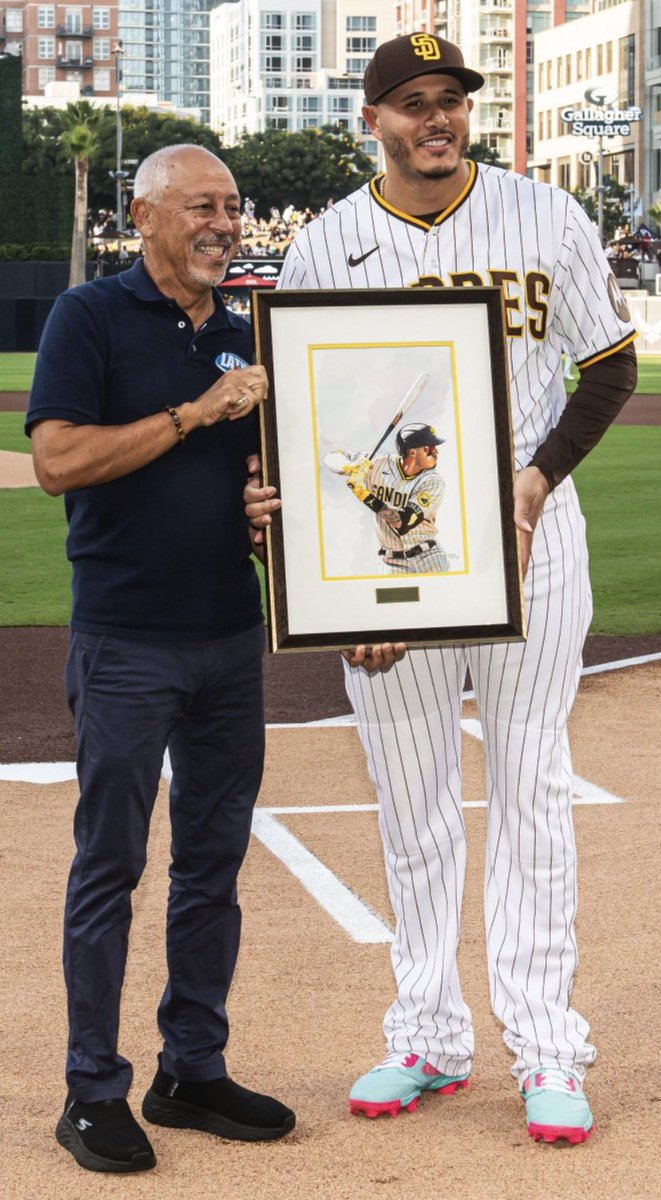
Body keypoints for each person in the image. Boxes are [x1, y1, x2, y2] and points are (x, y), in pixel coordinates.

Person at [245, 33, 637, 1145]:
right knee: (412, 805)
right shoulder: (328, 244)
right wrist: (341, 589)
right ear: (372, 120)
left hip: (528, 540)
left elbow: (607, 363)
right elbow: (305, 422)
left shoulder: (543, 217)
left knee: (531, 790)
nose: (438, 119)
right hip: (394, 558)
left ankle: (548, 1044)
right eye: (412, 103)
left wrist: (533, 478)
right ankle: (427, 1032)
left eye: (451, 101)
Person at [26, 144, 295, 1175]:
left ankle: (192, 1067)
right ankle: (92, 1087)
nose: (223, 222)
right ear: (143, 218)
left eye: (231, 206)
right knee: (111, 864)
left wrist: (276, 527)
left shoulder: (246, 337)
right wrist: (194, 415)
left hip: (230, 636)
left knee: (212, 869)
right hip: (127, 641)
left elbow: (260, 494)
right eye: (200, 207)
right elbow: (56, 462)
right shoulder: (88, 318)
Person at [323, 422, 449, 573]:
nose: (436, 451)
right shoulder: (378, 463)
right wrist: (350, 466)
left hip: (428, 557)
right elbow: (332, 457)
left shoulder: (433, 482)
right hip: (390, 561)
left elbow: (402, 523)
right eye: (429, 447)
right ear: (412, 452)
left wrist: (364, 494)